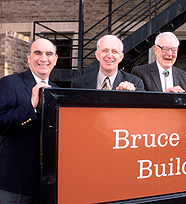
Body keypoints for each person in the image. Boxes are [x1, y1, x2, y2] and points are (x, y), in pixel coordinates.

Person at [0, 38, 58, 204]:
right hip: (15, 181)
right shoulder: (9, 83)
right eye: (37, 53)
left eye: (49, 54)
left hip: (47, 185)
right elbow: (1, 123)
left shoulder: (58, 92)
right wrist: (31, 105)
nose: (43, 58)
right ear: (28, 57)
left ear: (55, 59)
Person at [72, 35, 144, 91]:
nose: (109, 56)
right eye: (105, 51)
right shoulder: (79, 84)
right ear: (97, 55)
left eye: (114, 51)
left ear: (121, 57)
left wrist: (132, 92)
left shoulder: (135, 83)